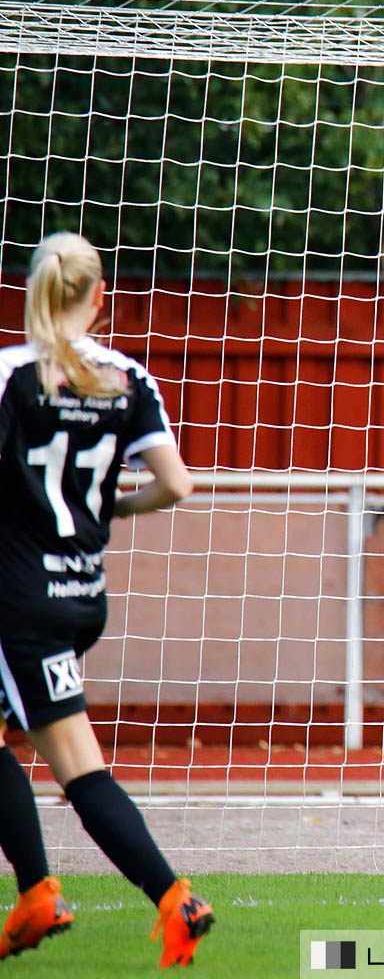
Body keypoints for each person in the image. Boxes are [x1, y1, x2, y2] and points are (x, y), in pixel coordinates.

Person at [0, 232, 214, 968]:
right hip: (82, 596)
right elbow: (178, 484)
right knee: (59, 757)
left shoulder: (10, 376)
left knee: (77, 767)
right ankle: (51, 895)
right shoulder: (128, 377)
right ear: (99, 298)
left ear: (30, 290)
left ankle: (145, 893)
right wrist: (112, 510)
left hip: (16, 599)